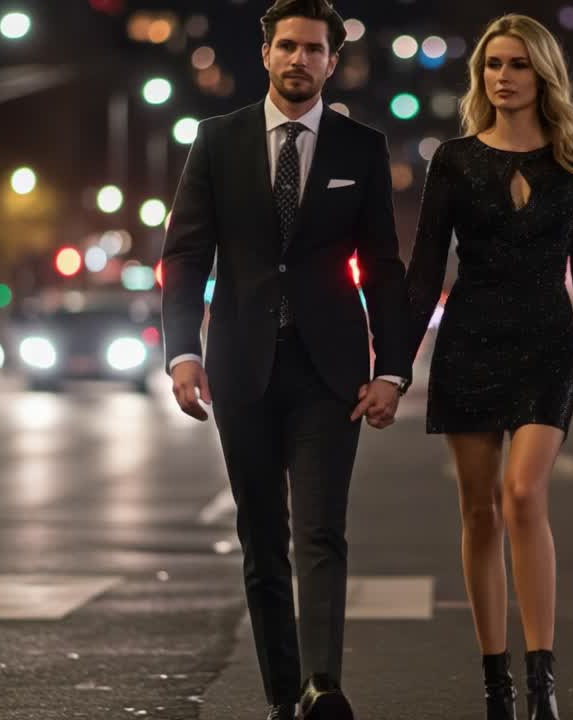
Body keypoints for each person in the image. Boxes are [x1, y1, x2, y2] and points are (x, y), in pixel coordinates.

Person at [160, 1, 412, 718]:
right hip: (240, 367)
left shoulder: (360, 147)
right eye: (289, 46)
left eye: (315, 49)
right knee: (262, 536)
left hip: (330, 371)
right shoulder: (217, 140)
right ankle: (283, 695)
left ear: (333, 61)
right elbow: (186, 255)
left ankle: (322, 685)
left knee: (322, 530)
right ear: (266, 53)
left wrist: (392, 369)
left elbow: (382, 265)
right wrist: (182, 352)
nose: (300, 59)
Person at [405, 14, 573, 720]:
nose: (503, 77)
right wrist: (393, 367)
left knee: (523, 494)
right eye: (493, 65)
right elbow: (425, 272)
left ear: (544, 74)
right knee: (479, 512)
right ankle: (496, 684)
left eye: (518, 64)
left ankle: (542, 682)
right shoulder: (453, 160)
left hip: (546, 346)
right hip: (469, 342)